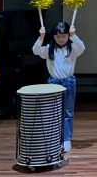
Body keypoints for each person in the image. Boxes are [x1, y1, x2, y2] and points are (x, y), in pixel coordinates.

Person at [32, 21, 85, 153]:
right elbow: (35, 50)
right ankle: (55, 139)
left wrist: (73, 35)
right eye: (58, 36)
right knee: (53, 113)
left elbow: (82, 47)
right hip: (53, 84)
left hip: (68, 82)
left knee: (67, 112)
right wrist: (41, 37)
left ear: (68, 35)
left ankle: (66, 140)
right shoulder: (49, 49)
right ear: (53, 36)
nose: (61, 39)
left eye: (64, 36)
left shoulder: (73, 49)